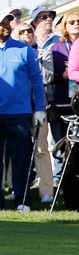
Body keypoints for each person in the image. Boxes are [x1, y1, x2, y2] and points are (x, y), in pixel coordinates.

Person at [0, 9, 45, 212]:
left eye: (8, 22)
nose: (6, 26)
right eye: (2, 23)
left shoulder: (25, 50)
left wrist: (39, 108)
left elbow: (37, 81)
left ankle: (22, 200)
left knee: (21, 159)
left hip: (19, 113)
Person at [16, 22, 54, 202]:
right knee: (15, 147)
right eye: (21, 32)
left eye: (29, 31)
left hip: (38, 106)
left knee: (41, 148)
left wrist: (34, 63)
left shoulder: (43, 53)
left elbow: (47, 77)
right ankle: (14, 187)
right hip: (17, 106)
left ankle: (46, 190)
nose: (26, 34)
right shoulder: (12, 54)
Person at [50, 12, 79, 182]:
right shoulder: (57, 47)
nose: (76, 24)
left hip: (76, 100)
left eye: (78, 21)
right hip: (60, 100)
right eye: (72, 22)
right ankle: (59, 177)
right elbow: (50, 75)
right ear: (65, 26)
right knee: (60, 141)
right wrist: (66, 74)